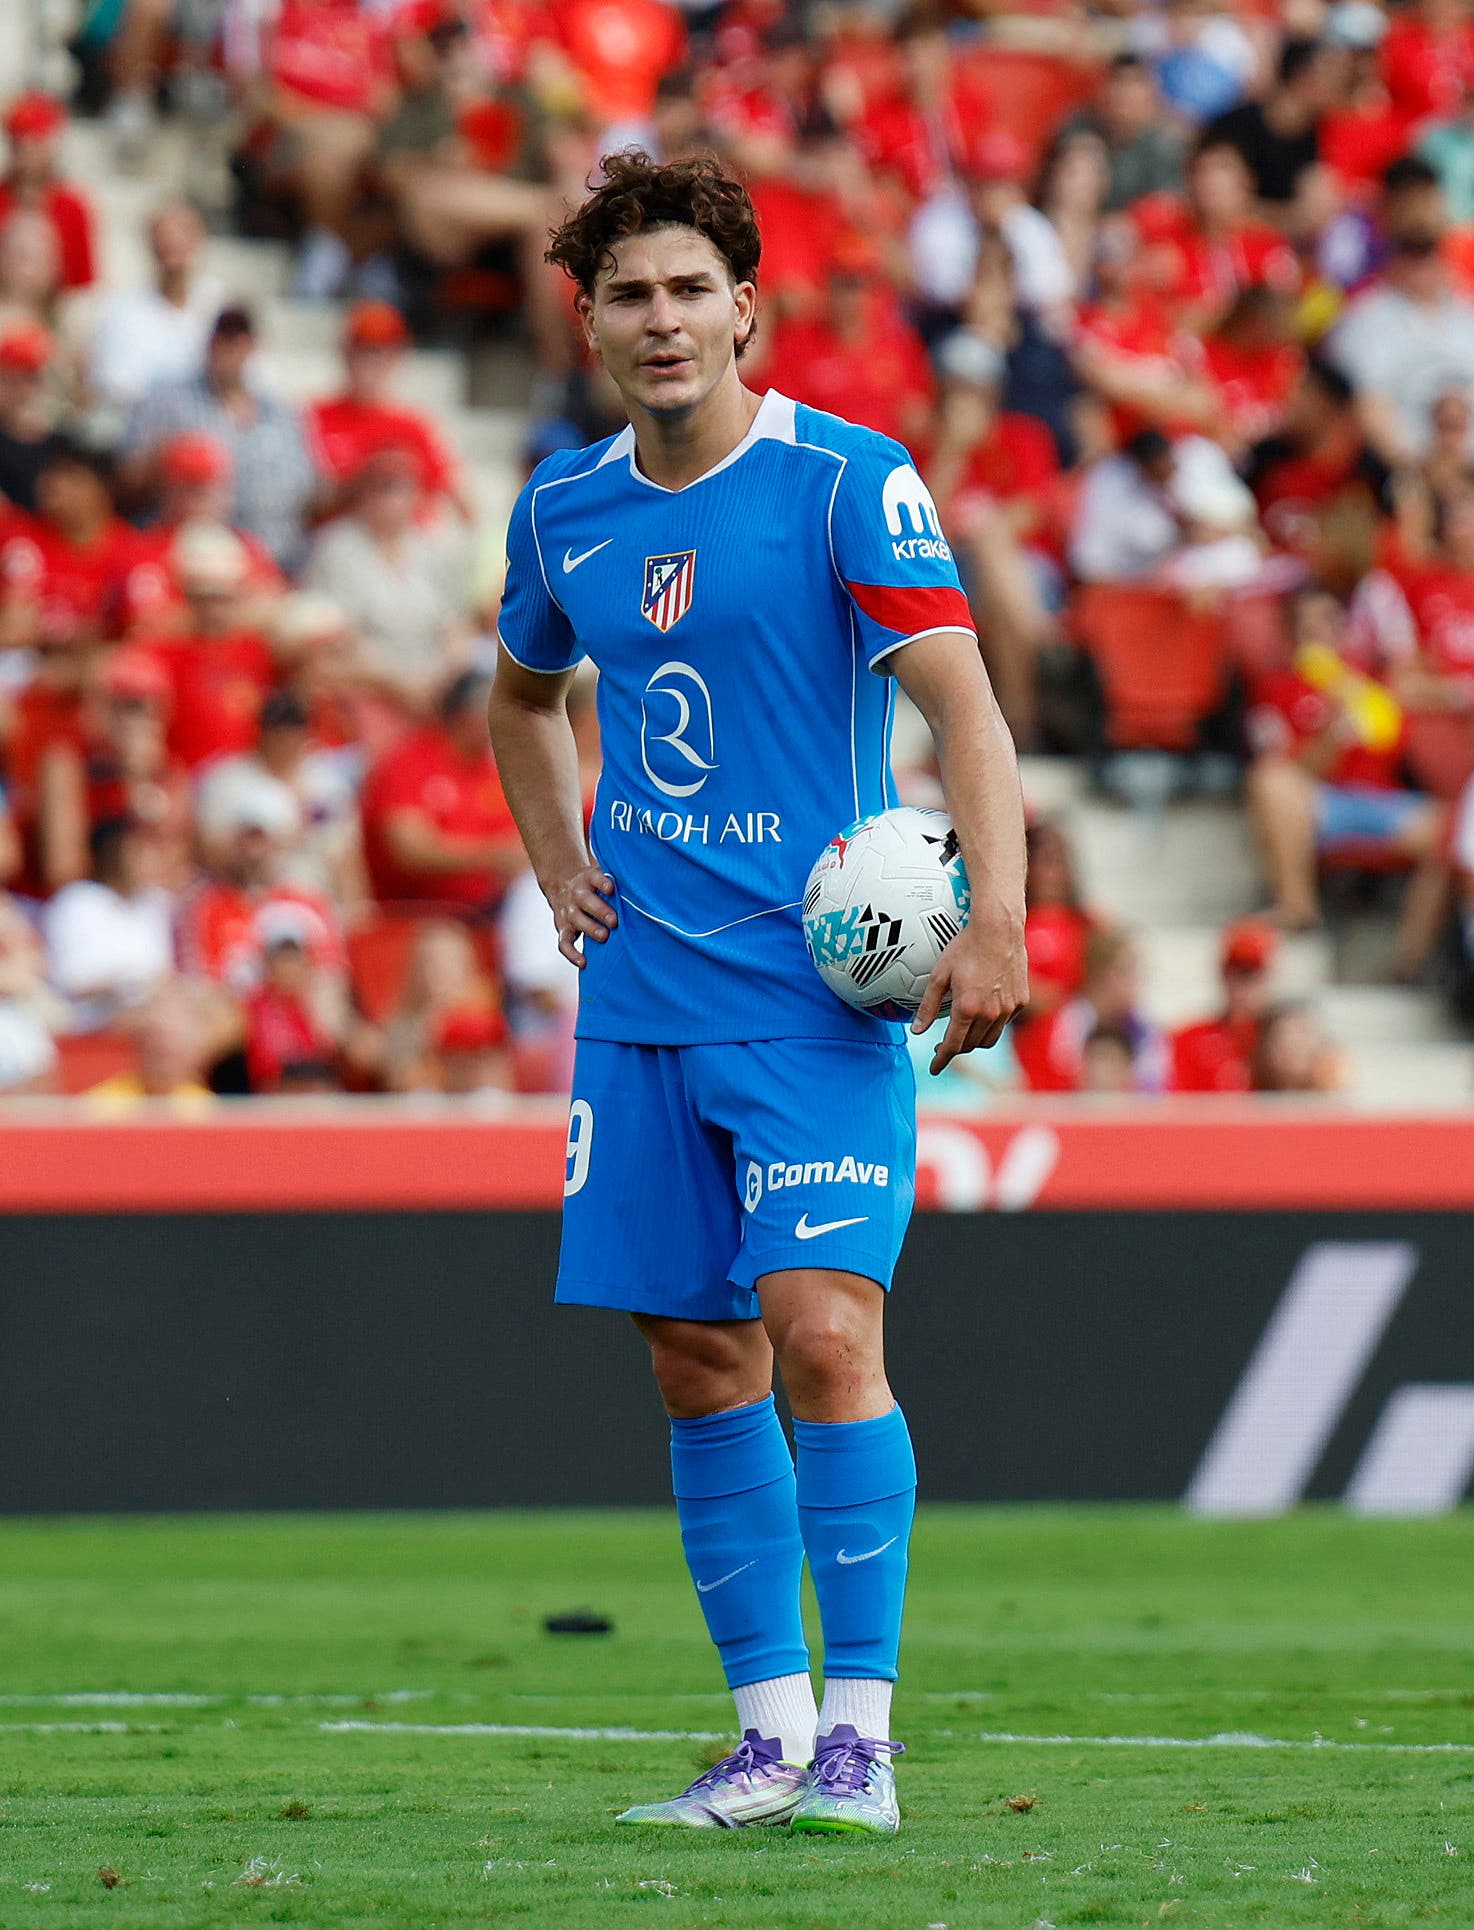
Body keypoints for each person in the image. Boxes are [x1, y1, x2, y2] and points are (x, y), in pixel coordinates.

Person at [487, 151, 1027, 1833]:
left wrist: (995, 919)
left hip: (813, 1000)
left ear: (745, 309)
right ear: (590, 323)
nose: (659, 320)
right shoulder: (561, 504)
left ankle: (858, 1740)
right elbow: (517, 701)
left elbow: (965, 703)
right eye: (627, 294)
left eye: (685, 290)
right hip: (639, 993)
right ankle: (765, 1739)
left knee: (818, 1330)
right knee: (695, 1364)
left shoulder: (843, 483)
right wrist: (550, 856)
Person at [120, 305, 318, 571]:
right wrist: (169, 460)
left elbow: (314, 489)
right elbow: (126, 484)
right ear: (209, 343)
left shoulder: (281, 412)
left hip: (277, 553)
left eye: (239, 340)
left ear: (252, 347)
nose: (230, 349)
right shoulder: (168, 401)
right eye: (223, 338)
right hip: (194, 550)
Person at [362, 669, 524, 911]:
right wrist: (495, 856)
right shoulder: (408, 763)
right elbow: (411, 852)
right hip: (423, 911)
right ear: (465, 715)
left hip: (497, 906)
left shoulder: (494, 769)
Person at [304, 301, 471, 524]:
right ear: (344, 351)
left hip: (404, 544)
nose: (369, 360)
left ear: (395, 357)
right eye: (362, 348)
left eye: (379, 351)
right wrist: (363, 478)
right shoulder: (312, 418)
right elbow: (304, 506)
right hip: (340, 539)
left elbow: (459, 497)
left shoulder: (413, 425)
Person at [88, 200, 222, 416]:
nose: (174, 260)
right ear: (151, 247)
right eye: (166, 249)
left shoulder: (219, 306)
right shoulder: (122, 311)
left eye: (182, 245)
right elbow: (118, 389)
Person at [43, 814, 175, 1032]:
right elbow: (69, 984)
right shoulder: (76, 902)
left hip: (153, 1020)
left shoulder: (157, 903)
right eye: (138, 850)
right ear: (113, 854)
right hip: (90, 1026)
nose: (150, 858)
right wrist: (129, 987)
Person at [1170, 918, 1279, 1092]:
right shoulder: (1188, 1039)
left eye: (1252, 974)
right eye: (1234, 972)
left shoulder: (1280, 1042)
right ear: (1223, 974)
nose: (1242, 986)